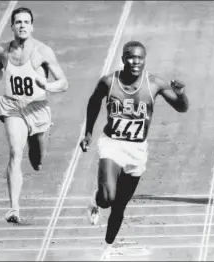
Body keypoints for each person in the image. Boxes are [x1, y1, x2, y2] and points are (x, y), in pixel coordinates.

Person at [79, 40, 189, 258]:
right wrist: (88, 132)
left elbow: (181, 107)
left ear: (144, 59)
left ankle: (107, 248)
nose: (135, 61)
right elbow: (94, 102)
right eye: (130, 56)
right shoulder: (109, 81)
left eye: (139, 57)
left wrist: (182, 93)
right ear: (123, 59)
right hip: (112, 144)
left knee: (119, 206)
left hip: (137, 149)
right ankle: (97, 199)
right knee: (108, 197)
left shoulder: (154, 83)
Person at [0, 7, 68, 222]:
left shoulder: (43, 51)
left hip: (37, 109)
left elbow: (64, 83)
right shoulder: (2, 49)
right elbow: (0, 68)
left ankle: (37, 140)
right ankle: (14, 208)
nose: (22, 25)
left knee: (37, 160)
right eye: (18, 22)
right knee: (15, 152)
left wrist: (46, 84)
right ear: (12, 26)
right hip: (13, 107)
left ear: (32, 26)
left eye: (26, 22)